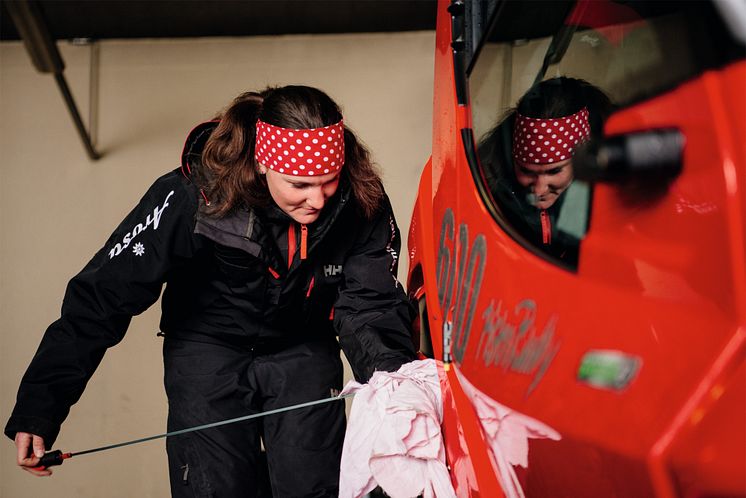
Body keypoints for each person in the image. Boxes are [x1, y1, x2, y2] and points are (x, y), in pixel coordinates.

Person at [6, 85, 417, 497]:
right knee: (215, 487)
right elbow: (102, 296)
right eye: (299, 184)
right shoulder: (191, 194)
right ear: (262, 164)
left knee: (314, 484)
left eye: (328, 182)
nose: (317, 200)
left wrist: (398, 389)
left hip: (303, 344)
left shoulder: (361, 199)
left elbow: (370, 303)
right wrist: (40, 407)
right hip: (207, 346)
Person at [478, 77, 613, 264]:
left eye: (554, 171)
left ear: (581, 160)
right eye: (526, 171)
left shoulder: (608, 196)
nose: (540, 189)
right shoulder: (485, 193)